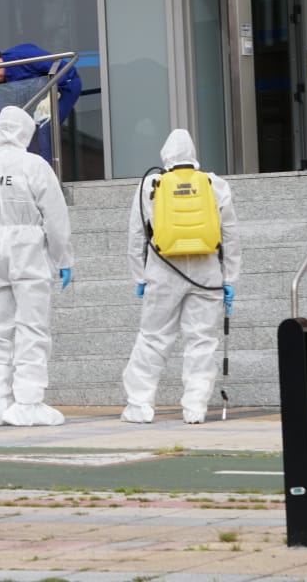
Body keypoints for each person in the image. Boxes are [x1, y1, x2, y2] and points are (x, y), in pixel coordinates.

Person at [0, 105, 74, 427]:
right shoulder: (34, 165)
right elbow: (55, 217)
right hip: (27, 247)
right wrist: (62, 257)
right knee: (32, 327)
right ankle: (28, 400)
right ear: (25, 132)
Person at [120, 128, 240, 424]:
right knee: (201, 341)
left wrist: (139, 275)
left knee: (152, 338)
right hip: (207, 271)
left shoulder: (151, 184)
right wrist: (230, 279)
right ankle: (195, 408)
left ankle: (139, 406)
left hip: (163, 270)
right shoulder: (215, 184)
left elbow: (136, 236)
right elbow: (231, 236)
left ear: (165, 156)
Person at [0, 43, 82, 165]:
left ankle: (48, 174)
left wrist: (53, 93)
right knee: (25, 135)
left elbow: (61, 67)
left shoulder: (22, 56)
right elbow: (4, 112)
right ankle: (29, 170)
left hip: (64, 86)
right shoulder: (1, 85)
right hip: (36, 101)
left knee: (46, 128)